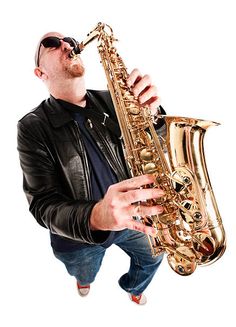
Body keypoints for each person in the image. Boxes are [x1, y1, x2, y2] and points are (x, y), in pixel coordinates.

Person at [17, 31, 166, 305]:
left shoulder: (115, 100)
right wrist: (96, 216)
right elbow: (43, 205)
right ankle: (84, 281)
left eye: (70, 41)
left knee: (155, 256)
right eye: (51, 44)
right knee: (84, 271)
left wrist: (154, 118)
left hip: (134, 219)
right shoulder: (32, 127)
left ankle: (134, 287)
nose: (67, 45)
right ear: (40, 73)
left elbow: (156, 151)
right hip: (78, 239)